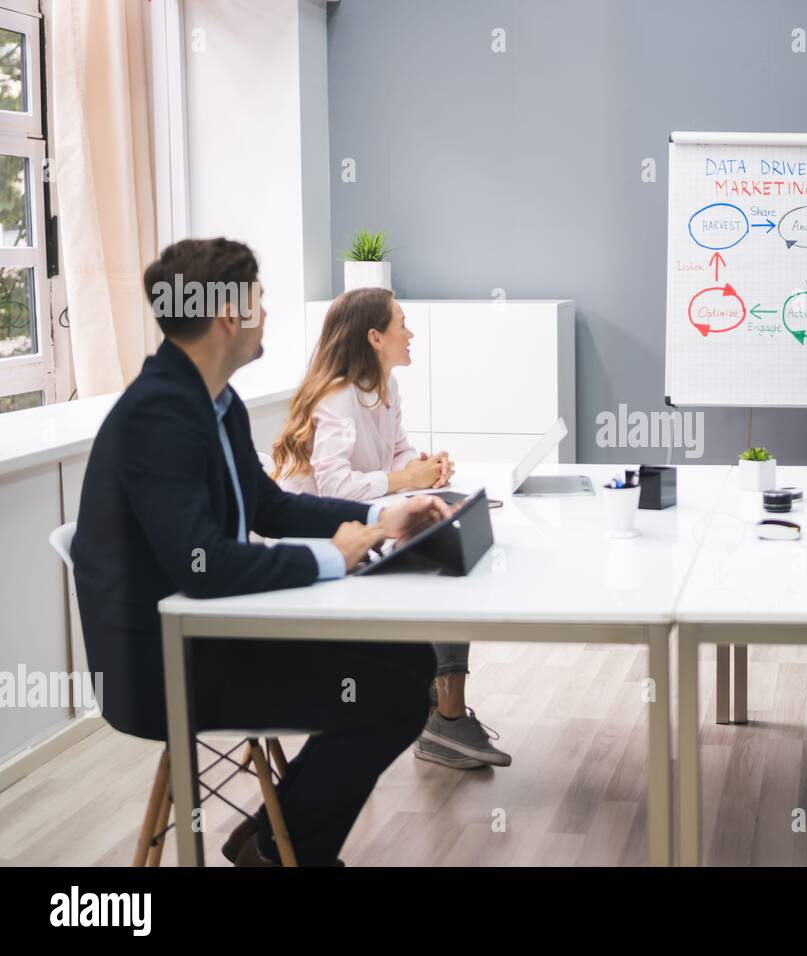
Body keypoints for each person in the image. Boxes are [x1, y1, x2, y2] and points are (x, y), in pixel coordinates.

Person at [72, 238, 452, 864]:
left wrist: (380, 518)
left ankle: (277, 840)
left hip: (209, 633)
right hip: (165, 667)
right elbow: (207, 565)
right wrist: (337, 555)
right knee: (392, 697)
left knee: (407, 658)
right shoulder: (161, 416)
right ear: (228, 315)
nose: (266, 313)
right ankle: (284, 852)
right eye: (259, 300)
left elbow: (270, 507)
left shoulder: (210, 400)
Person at [272, 287, 511, 770]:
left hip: (357, 530)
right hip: (316, 545)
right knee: (442, 567)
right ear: (375, 337)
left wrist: (425, 467)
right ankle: (444, 715)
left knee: (441, 544)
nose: (411, 332)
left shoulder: (384, 388)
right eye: (403, 322)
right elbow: (335, 485)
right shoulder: (337, 398)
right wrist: (406, 480)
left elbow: (395, 451)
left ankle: (435, 706)